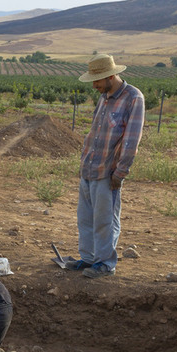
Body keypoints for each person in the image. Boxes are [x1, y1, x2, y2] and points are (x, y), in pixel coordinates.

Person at [68, 54, 145, 279]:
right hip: (89, 168)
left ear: (111, 76)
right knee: (85, 218)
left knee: (105, 220)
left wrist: (120, 172)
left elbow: (131, 140)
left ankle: (105, 263)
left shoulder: (133, 98)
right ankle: (88, 258)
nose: (94, 86)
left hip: (107, 171)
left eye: (98, 81)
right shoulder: (104, 96)